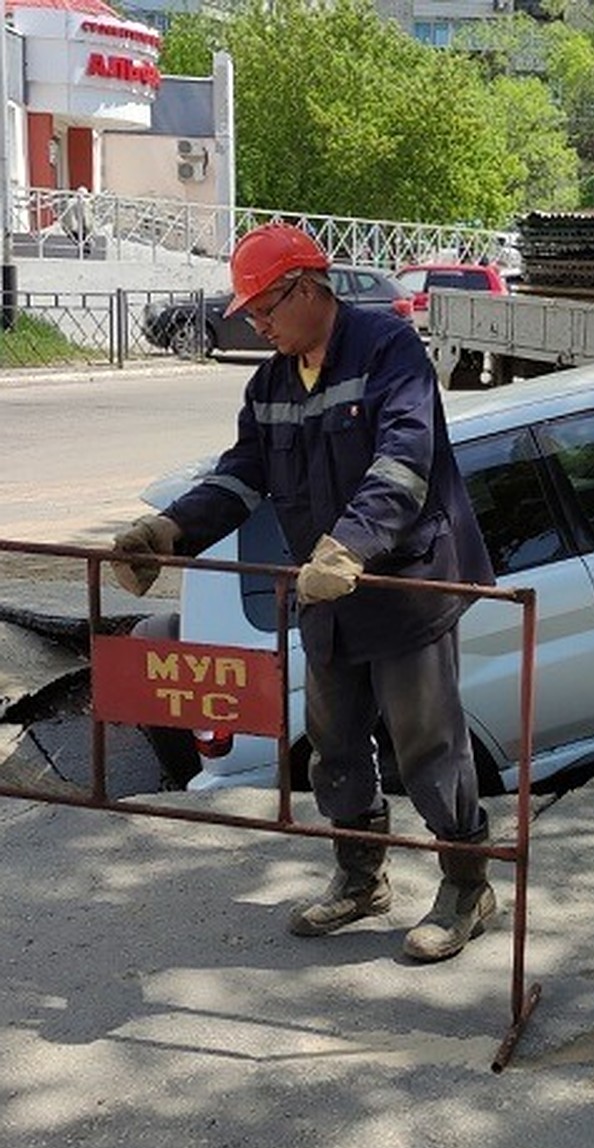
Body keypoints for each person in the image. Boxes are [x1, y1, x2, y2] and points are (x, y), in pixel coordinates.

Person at [110, 222, 497, 963]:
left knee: (428, 744)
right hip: (325, 594)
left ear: (308, 290)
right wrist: (168, 532)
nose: (256, 326)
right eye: (250, 314)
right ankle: (360, 878)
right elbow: (239, 476)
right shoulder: (271, 384)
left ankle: (467, 885)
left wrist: (351, 543)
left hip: (404, 581)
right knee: (334, 743)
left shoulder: (388, 350)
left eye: (264, 310)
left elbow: (405, 461)